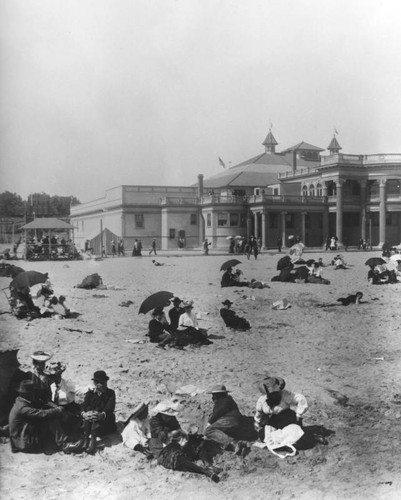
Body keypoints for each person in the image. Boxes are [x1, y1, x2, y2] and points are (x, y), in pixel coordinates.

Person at [9, 380, 82, 454]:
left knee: (50, 412)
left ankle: (67, 433)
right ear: (28, 394)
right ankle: (64, 444)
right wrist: (57, 410)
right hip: (23, 440)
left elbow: (43, 403)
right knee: (50, 418)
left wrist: (55, 407)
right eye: (32, 393)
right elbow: (42, 414)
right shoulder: (23, 408)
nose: (34, 394)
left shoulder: (22, 400)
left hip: (24, 433)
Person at [81, 370, 117, 454]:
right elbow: (83, 406)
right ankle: (86, 438)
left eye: (104, 382)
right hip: (90, 421)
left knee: (95, 420)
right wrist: (85, 414)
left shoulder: (110, 393)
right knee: (89, 417)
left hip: (105, 420)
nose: (104, 384)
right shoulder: (90, 393)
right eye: (101, 382)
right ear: (95, 383)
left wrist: (101, 415)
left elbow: (110, 408)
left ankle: (93, 440)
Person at [204, 385, 246, 455]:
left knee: (208, 430)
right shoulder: (226, 400)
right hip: (232, 421)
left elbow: (217, 413)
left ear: (219, 394)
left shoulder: (224, 400)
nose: (213, 397)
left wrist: (209, 423)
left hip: (230, 420)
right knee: (213, 431)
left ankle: (233, 443)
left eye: (214, 395)